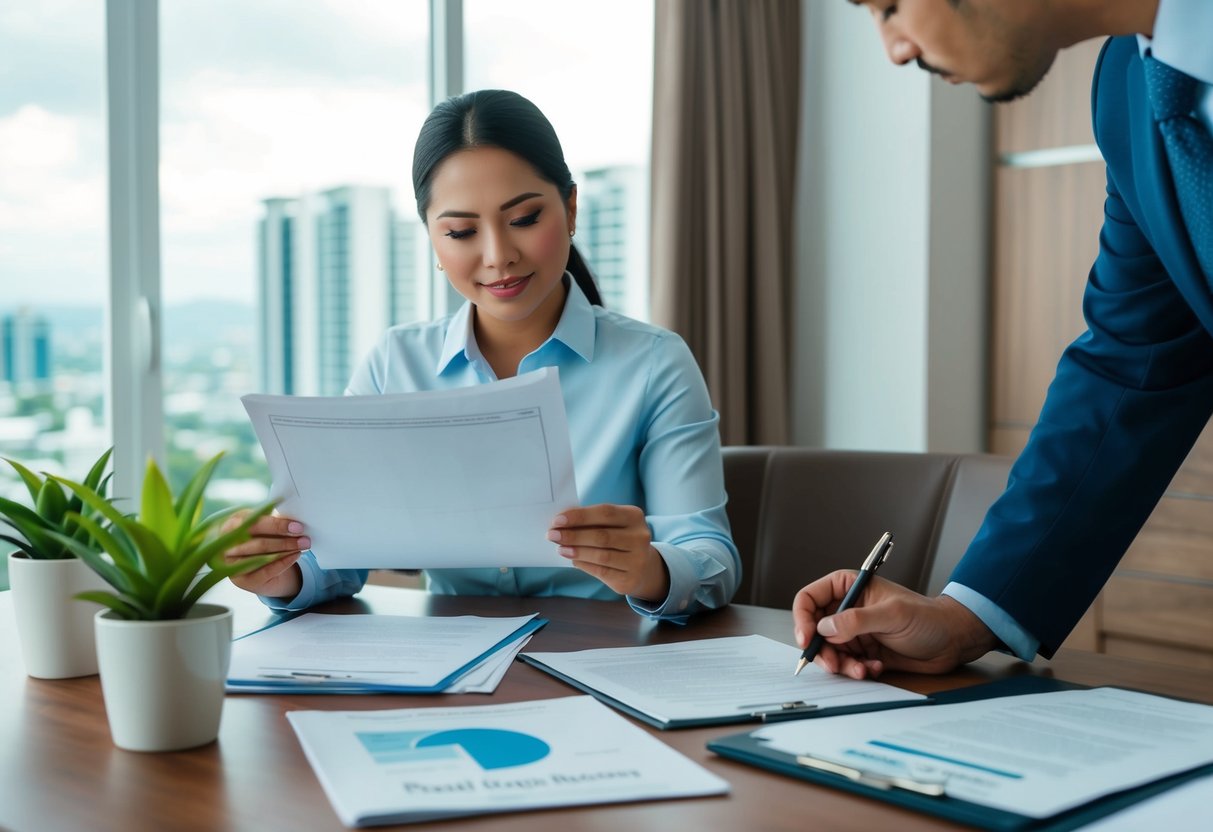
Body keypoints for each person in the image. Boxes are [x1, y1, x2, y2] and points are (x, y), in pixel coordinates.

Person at [795, 0, 1213, 678]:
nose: (893, 50)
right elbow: (1134, 360)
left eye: (889, 8)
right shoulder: (1128, 88)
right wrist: (970, 618)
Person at [225, 89, 740, 622]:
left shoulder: (654, 363)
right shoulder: (395, 363)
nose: (498, 256)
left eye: (523, 219)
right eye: (461, 231)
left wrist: (649, 569)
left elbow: (711, 558)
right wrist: (279, 570)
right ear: (432, 239)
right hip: (446, 674)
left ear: (570, 208)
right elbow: (340, 554)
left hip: (604, 664)